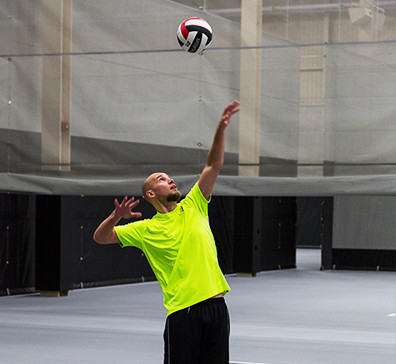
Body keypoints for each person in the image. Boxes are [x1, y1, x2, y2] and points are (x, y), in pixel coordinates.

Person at [93, 100, 240, 364]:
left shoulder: (195, 205)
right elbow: (100, 238)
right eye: (161, 179)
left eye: (169, 177)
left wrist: (221, 129)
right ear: (150, 193)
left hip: (217, 307)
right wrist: (115, 217)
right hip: (183, 314)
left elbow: (213, 166)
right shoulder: (144, 229)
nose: (170, 180)